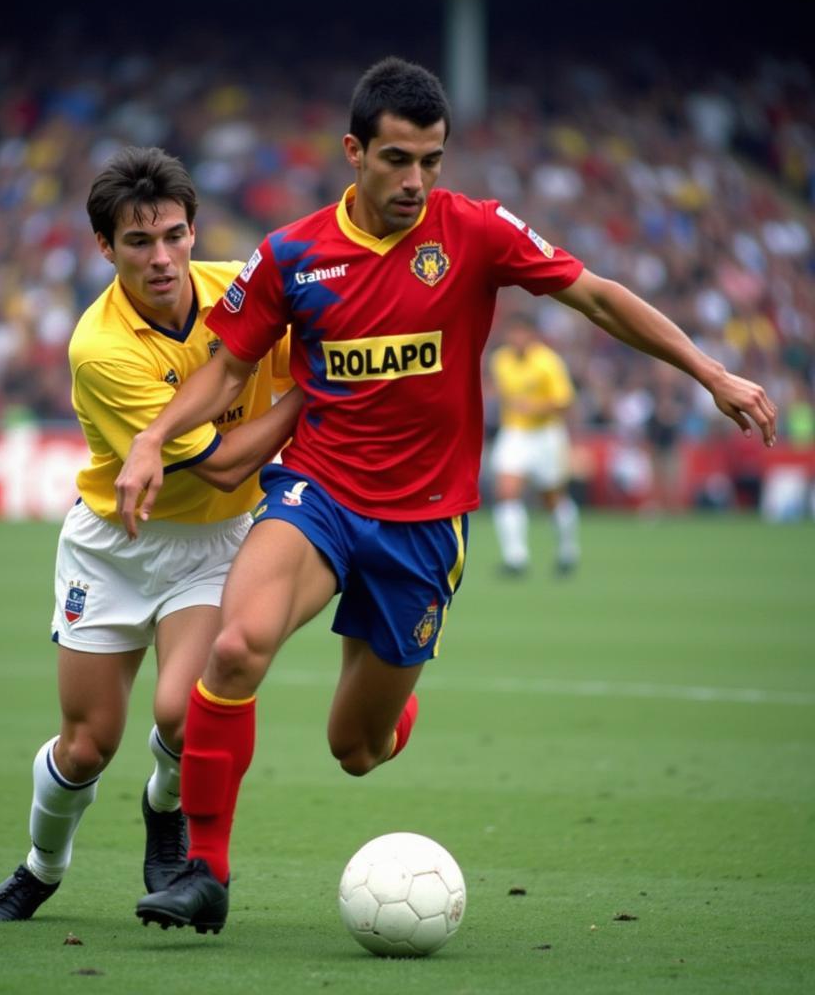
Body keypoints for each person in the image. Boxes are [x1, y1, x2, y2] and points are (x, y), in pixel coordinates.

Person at [115, 58, 778, 935]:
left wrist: (709, 370)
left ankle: (397, 700)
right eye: (397, 159)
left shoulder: (475, 233)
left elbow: (597, 297)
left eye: (432, 159)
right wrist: (154, 439)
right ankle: (206, 872)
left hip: (426, 521)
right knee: (233, 651)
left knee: (357, 750)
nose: (416, 180)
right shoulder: (293, 255)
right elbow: (226, 365)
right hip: (318, 492)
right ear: (355, 152)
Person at [0, 146, 300, 921]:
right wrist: (309, 400)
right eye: (138, 243)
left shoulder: (239, 292)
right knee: (87, 746)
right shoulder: (101, 350)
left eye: (175, 236)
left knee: (185, 716)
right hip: (114, 550)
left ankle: (166, 807)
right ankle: (42, 867)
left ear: (194, 231)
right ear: (105, 248)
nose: (162, 258)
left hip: (217, 546)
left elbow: (315, 341)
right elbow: (220, 465)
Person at [488, 311, 580, 575]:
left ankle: (567, 550)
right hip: (514, 432)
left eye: (521, 333)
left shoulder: (547, 362)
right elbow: (501, 394)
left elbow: (565, 402)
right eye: (512, 333)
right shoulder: (500, 360)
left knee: (551, 498)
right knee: (506, 490)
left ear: (532, 335)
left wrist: (535, 407)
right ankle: (515, 558)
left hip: (545, 434)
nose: (516, 339)